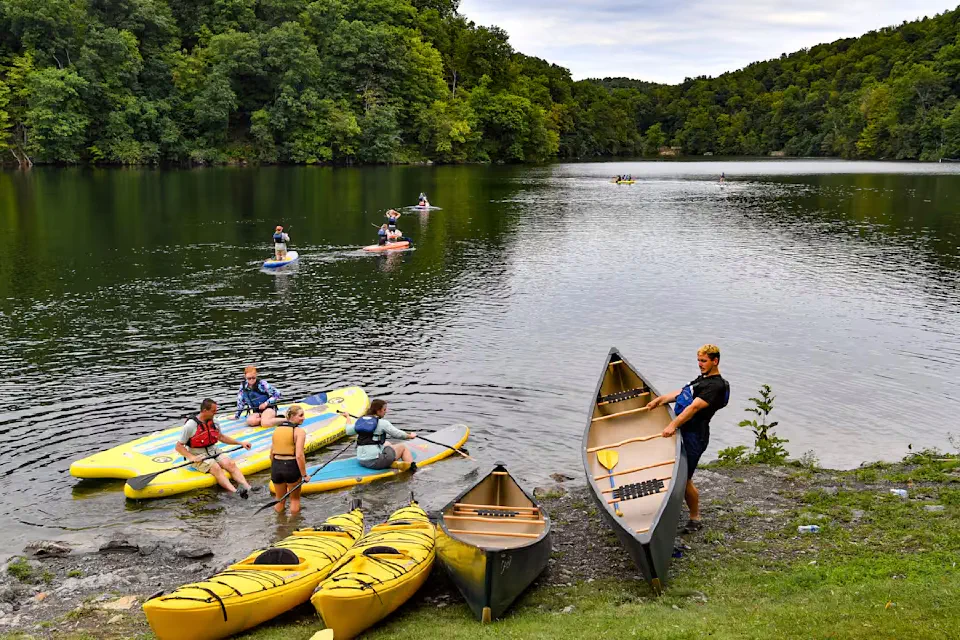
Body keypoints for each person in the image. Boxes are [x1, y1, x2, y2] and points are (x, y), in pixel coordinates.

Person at [645, 344, 729, 533]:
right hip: (685, 432)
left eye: (704, 361)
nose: (700, 364)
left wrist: (672, 425)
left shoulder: (715, 386)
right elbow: (685, 393)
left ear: (715, 361)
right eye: (699, 360)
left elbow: (693, 408)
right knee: (675, 473)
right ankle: (667, 507)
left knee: (684, 478)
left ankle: (695, 518)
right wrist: (661, 399)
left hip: (695, 437)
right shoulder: (704, 379)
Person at [175, 398, 258, 498]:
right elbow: (178, 446)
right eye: (213, 411)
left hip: (213, 450)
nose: (215, 413)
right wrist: (192, 457)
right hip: (197, 453)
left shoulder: (214, 422)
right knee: (216, 468)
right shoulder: (190, 426)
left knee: (230, 464)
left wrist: (241, 443)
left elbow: (221, 437)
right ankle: (235, 492)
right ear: (205, 411)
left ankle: (248, 487)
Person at [343, 399, 418, 472]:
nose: (386, 412)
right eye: (384, 410)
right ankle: (412, 470)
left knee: (388, 443)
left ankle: (388, 462)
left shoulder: (360, 422)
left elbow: (348, 430)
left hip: (361, 460)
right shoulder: (383, 423)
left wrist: (348, 417)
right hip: (374, 462)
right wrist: (410, 436)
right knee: (402, 447)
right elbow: (398, 434)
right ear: (378, 411)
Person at [264, 405, 308, 514]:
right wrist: (304, 475)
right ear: (292, 416)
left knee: (279, 500)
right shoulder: (299, 431)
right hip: (291, 467)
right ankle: (293, 526)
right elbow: (299, 456)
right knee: (295, 500)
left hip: (276, 467)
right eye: (301, 415)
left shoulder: (277, 430)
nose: (303, 418)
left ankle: (279, 526)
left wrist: (275, 468)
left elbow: (271, 455)